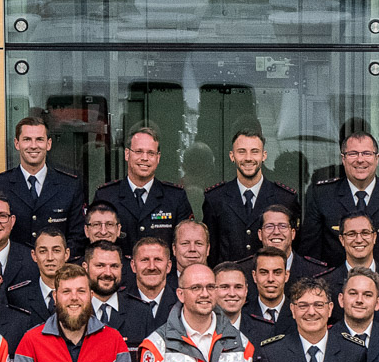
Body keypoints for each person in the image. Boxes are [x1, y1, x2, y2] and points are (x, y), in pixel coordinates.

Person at [298, 131, 379, 265]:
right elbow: (309, 253)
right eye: (353, 154)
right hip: (336, 277)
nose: (360, 160)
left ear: (377, 158)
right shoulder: (323, 196)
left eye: (367, 153)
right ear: (343, 159)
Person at [200, 129, 295, 266]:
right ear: (232, 156)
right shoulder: (215, 198)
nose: (248, 158)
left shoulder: (285, 198)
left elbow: (294, 249)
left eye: (254, 151)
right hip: (229, 278)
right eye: (241, 152)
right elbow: (211, 252)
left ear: (264, 155)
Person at [0, 115, 84, 248]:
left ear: (48, 144)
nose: (33, 146)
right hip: (14, 260)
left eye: (39, 139)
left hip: (56, 261)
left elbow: (77, 236)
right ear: (17, 143)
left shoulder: (69, 186)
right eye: (27, 139)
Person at [94, 124, 194, 251]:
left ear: (158, 158)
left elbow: (185, 245)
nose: (144, 158)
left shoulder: (176, 198)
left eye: (151, 153)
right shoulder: (105, 196)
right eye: (139, 152)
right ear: (127, 154)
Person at [239, 247, 297, 342]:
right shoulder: (242, 314)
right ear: (254, 276)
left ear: (286, 276)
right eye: (264, 273)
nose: (270, 279)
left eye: (277, 273)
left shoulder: (299, 313)